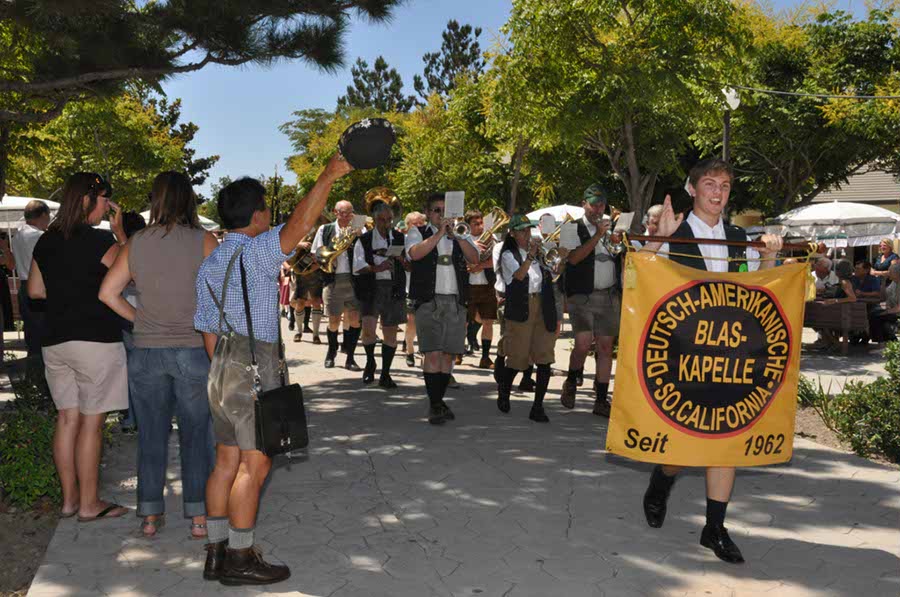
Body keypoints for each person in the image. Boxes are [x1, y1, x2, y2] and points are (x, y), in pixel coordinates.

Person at [193, 154, 351, 585]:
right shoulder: (257, 252)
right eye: (266, 208)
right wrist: (328, 174)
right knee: (255, 466)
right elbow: (299, 226)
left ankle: (216, 552)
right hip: (253, 362)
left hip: (221, 365)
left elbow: (207, 331)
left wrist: (223, 373)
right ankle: (241, 558)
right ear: (258, 214)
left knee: (225, 463)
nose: (270, 215)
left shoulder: (209, 263)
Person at [640, 158, 783, 564]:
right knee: (684, 447)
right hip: (684, 356)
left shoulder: (739, 237)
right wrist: (656, 242)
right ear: (692, 188)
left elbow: (760, 288)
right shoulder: (675, 235)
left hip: (733, 357)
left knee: (727, 442)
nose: (718, 191)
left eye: (724, 184)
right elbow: (638, 282)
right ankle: (661, 481)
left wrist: (769, 255)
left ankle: (714, 528)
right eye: (709, 183)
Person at [99, 171, 219, 539]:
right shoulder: (205, 240)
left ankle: (150, 516)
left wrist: (141, 320)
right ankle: (200, 517)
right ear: (189, 200)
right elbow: (216, 301)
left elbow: (108, 293)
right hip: (193, 349)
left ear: (156, 201)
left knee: (151, 434)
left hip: (146, 351)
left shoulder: (136, 242)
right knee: (197, 435)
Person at [28, 172, 129, 522]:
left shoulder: (47, 240)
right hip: (95, 340)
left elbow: (35, 292)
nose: (108, 206)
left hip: (55, 341)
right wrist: (120, 235)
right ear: (88, 199)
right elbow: (131, 275)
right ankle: (89, 504)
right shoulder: (100, 241)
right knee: (91, 423)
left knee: (67, 418)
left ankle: (70, 501)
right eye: (105, 199)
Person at [406, 192, 480, 425]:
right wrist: (439, 233)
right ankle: (435, 404)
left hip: (455, 300)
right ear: (428, 213)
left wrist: (457, 237)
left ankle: (437, 402)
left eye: (444, 210)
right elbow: (415, 253)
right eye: (436, 210)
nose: (441, 215)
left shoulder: (459, 233)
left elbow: (475, 258)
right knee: (433, 352)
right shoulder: (417, 232)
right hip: (428, 299)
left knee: (448, 354)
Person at [559, 184, 622, 418]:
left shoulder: (613, 227)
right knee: (583, 344)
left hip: (608, 295)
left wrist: (615, 238)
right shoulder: (570, 229)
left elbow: (620, 253)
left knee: (606, 347)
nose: (597, 208)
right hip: (582, 295)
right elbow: (573, 259)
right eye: (593, 203)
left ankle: (601, 399)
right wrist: (597, 235)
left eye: (601, 204)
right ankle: (572, 381)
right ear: (583, 204)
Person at [495, 215, 557, 422]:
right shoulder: (508, 254)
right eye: (522, 231)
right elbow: (519, 276)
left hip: (542, 304)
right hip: (521, 306)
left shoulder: (539, 254)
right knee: (517, 358)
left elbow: (554, 274)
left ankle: (538, 406)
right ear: (512, 233)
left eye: (528, 230)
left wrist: (559, 258)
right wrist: (531, 255)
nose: (527, 234)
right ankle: (504, 390)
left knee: (544, 358)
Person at [353, 200, 406, 389]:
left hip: (394, 288)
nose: (387, 223)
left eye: (389, 219)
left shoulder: (399, 237)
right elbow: (358, 267)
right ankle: (370, 362)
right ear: (375, 220)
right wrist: (378, 267)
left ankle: (385, 373)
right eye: (382, 220)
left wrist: (399, 258)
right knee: (368, 329)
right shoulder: (364, 239)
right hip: (371, 288)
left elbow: (409, 265)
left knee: (390, 332)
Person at [312, 200, 362, 370]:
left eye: (350, 213)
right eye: (343, 213)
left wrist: (361, 235)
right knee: (333, 321)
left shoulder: (357, 229)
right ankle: (331, 351)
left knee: (354, 320)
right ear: (335, 212)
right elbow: (316, 252)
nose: (347, 216)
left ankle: (350, 357)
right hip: (332, 280)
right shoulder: (324, 229)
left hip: (354, 280)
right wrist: (325, 261)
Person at [12, 199, 51, 369]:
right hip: (40, 287)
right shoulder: (40, 237)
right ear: (42, 215)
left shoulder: (18, 234)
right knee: (45, 336)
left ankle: (32, 380)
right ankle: (41, 378)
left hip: (23, 286)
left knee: (32, 335)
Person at [462, 209, 497, 369]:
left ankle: (485, 357)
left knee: (488, 321)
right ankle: (457, 353)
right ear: (468, 225)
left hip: (487, 285)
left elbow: (497, 260)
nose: (480, 226)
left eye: (481, 222)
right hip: (467, 285)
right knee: (463, 321)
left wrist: (480, 266)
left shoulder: (492, 238)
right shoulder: (463, 238)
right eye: (476, 224)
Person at [402, 211, 426, 367]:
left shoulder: (429, 238)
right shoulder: (403, 240)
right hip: (409, 287)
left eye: (420, 223)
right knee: (412, 323)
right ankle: (409, 350)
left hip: (427, 287)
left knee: (426, 323)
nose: (418, 226)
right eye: (414, 224)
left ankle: (424, 352)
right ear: (407, 226)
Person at [869, 262, 900, 342]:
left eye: (890, 272)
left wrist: (886, 312)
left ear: (897, 273)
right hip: (894, 311)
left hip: (897, 312)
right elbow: (883, 297)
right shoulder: (894, 283)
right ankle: (889, 341)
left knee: (876, 317)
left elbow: (899, 308)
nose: (888, 273)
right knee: (873, 313)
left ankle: (882, 343)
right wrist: (883, 282)